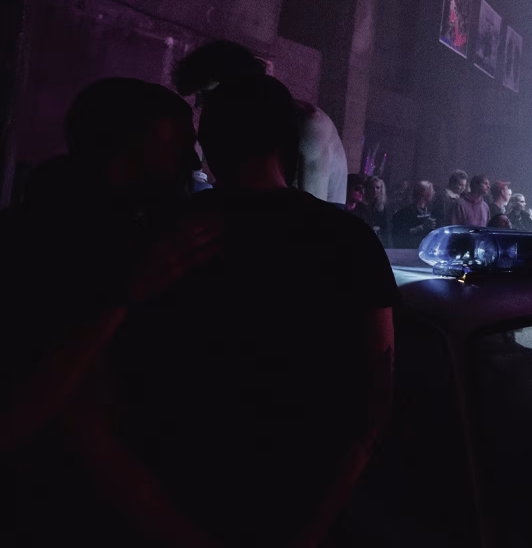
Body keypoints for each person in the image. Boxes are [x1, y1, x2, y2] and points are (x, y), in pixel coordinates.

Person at [82, 74, 398, 545]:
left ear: (207, 143)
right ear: (287, 143)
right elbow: (374, 393)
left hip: (170, 505)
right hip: (298, 509)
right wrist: (311, 529)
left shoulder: (163, 234)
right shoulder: (349, 239)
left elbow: (104, 386)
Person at [1, 78, 208, 546]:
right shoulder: (59, 250)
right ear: (122, 155)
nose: (192, 163)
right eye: (178, 147)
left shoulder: (54, 226)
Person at [172, 39, 348, 204]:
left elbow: (315, 222)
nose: (199, 105)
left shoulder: (310, 125)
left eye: (207, 94)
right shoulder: (244, 128)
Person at [391, 181, 438, 249]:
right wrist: (422, 227)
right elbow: (400, 233)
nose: (434, 193)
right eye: (432, 191)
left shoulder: (428, 210)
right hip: (409, 250)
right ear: (425, 194)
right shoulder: (406, 212)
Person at [366, 176, 391, 247]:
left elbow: (386, 227)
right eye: (372, 187)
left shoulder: (384, 206)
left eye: (377, 187)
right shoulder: (362, 205)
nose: (375, 190)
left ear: (381, 189)